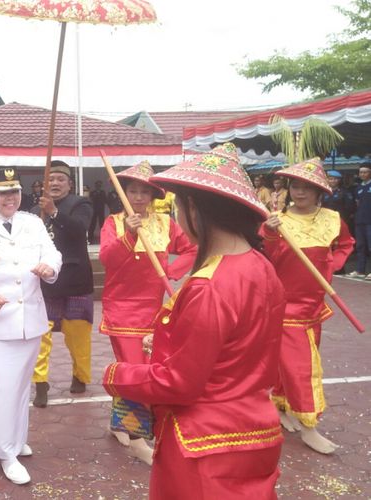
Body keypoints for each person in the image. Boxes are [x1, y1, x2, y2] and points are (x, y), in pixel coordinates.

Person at [102, 143, 286, 499]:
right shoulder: (261, 267)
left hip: (204, 445)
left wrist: (117, 375)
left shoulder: (209, 286)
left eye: (177, 205)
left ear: (194, 210)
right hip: (257, 432)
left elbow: (179, 383)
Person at [0, 168, 61, 485]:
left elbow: (53, 253)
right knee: (0, 389)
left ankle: (15, 441)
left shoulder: (32, 223)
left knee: (18, 388)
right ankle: (3, 452)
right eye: (3, 193)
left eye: (14, 192)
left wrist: (50, 267)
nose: (10, 198)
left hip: (28, 322)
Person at [98, 160, 196, 464]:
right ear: (123, 193)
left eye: (144, 192)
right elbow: (107, 261)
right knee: (135, 370)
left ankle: (122, 425)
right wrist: (128, 235)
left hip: (156, 309)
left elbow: (192, 248)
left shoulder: (167, 224)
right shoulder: (113, 223)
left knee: (144, 369)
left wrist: (171, 270)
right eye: (132, 191)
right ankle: (139, 438)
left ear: (153, 197)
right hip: (122, 310)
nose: (138, 197)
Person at [261, 158, 354, 454]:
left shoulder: (332, 218)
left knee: (289, 363)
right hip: (286, 307)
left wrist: (332, 266)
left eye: (306, 187)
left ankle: (283, 406)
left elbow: (345, 244)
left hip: (315, 304)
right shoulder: (278, 220)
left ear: (318, 192)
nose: (299, 192)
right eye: (294, 186)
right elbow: (270, 259)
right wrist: (271, 233)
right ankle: (309, 426)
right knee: (304, 367)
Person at [30, 161, 93, 407]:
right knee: (40, 337)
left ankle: (80, 375)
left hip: (75, 282)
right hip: (45, 282)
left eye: (60, 179)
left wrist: (55, 212)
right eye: (50, 179)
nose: (54, 183)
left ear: (69, 183)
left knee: (78, 336)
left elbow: (79, 231)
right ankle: (41, 384)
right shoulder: (35, 211)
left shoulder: (81, 204)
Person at [349, 165, 371, 279]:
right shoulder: (357, 188)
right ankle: (360, 270)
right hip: (360, 221)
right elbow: (357, 204)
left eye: (365, 172)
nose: (362, 174)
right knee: (360, 246)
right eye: (361, 172)